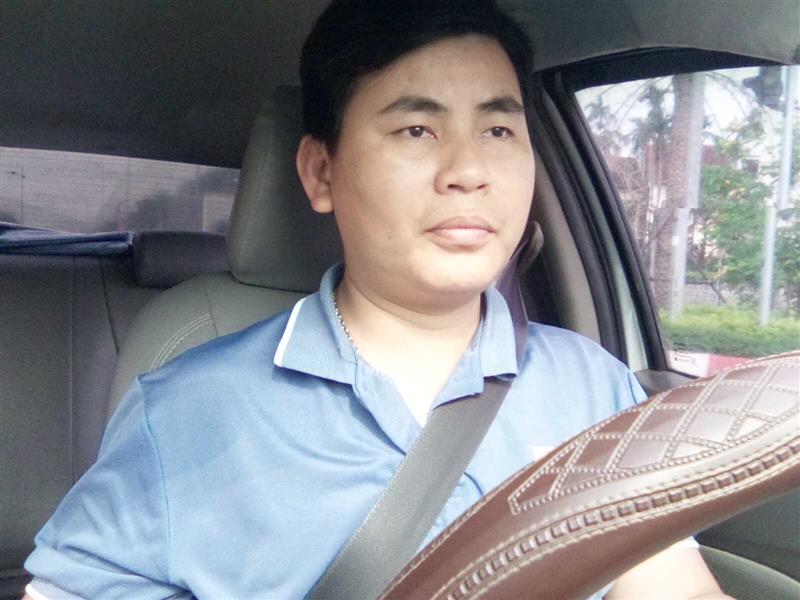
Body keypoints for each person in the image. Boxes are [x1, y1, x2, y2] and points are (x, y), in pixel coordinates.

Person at [24, 1, 731, 598]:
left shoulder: (594, 386)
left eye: (497, 129)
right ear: (321, 172)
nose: (468, 171)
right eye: (416, 129)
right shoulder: (189, 411)